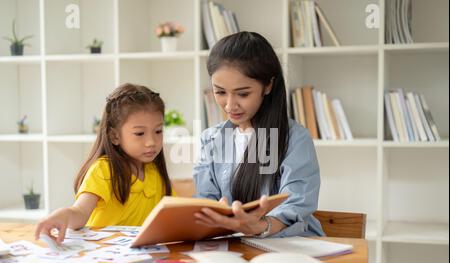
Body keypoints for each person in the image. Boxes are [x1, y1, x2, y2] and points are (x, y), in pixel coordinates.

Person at [193, 31, 324, 238]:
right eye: (220, 92)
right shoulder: (210, 139)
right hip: (231, 248)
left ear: (268, 86)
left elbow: (296, 203)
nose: (230, 105)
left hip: (288, 248)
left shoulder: (295, 139)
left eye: (243, 94)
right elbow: (205, 202)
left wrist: (261, 226)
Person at [35, 83, 173, 243]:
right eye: (139, 133)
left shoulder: (154, 171)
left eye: (158, 131)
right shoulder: (104, 170)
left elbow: (172, 211)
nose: (151, 142)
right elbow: (80, 212)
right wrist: (63, 215)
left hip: (139, 256)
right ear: (114, 136)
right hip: (102, 255)